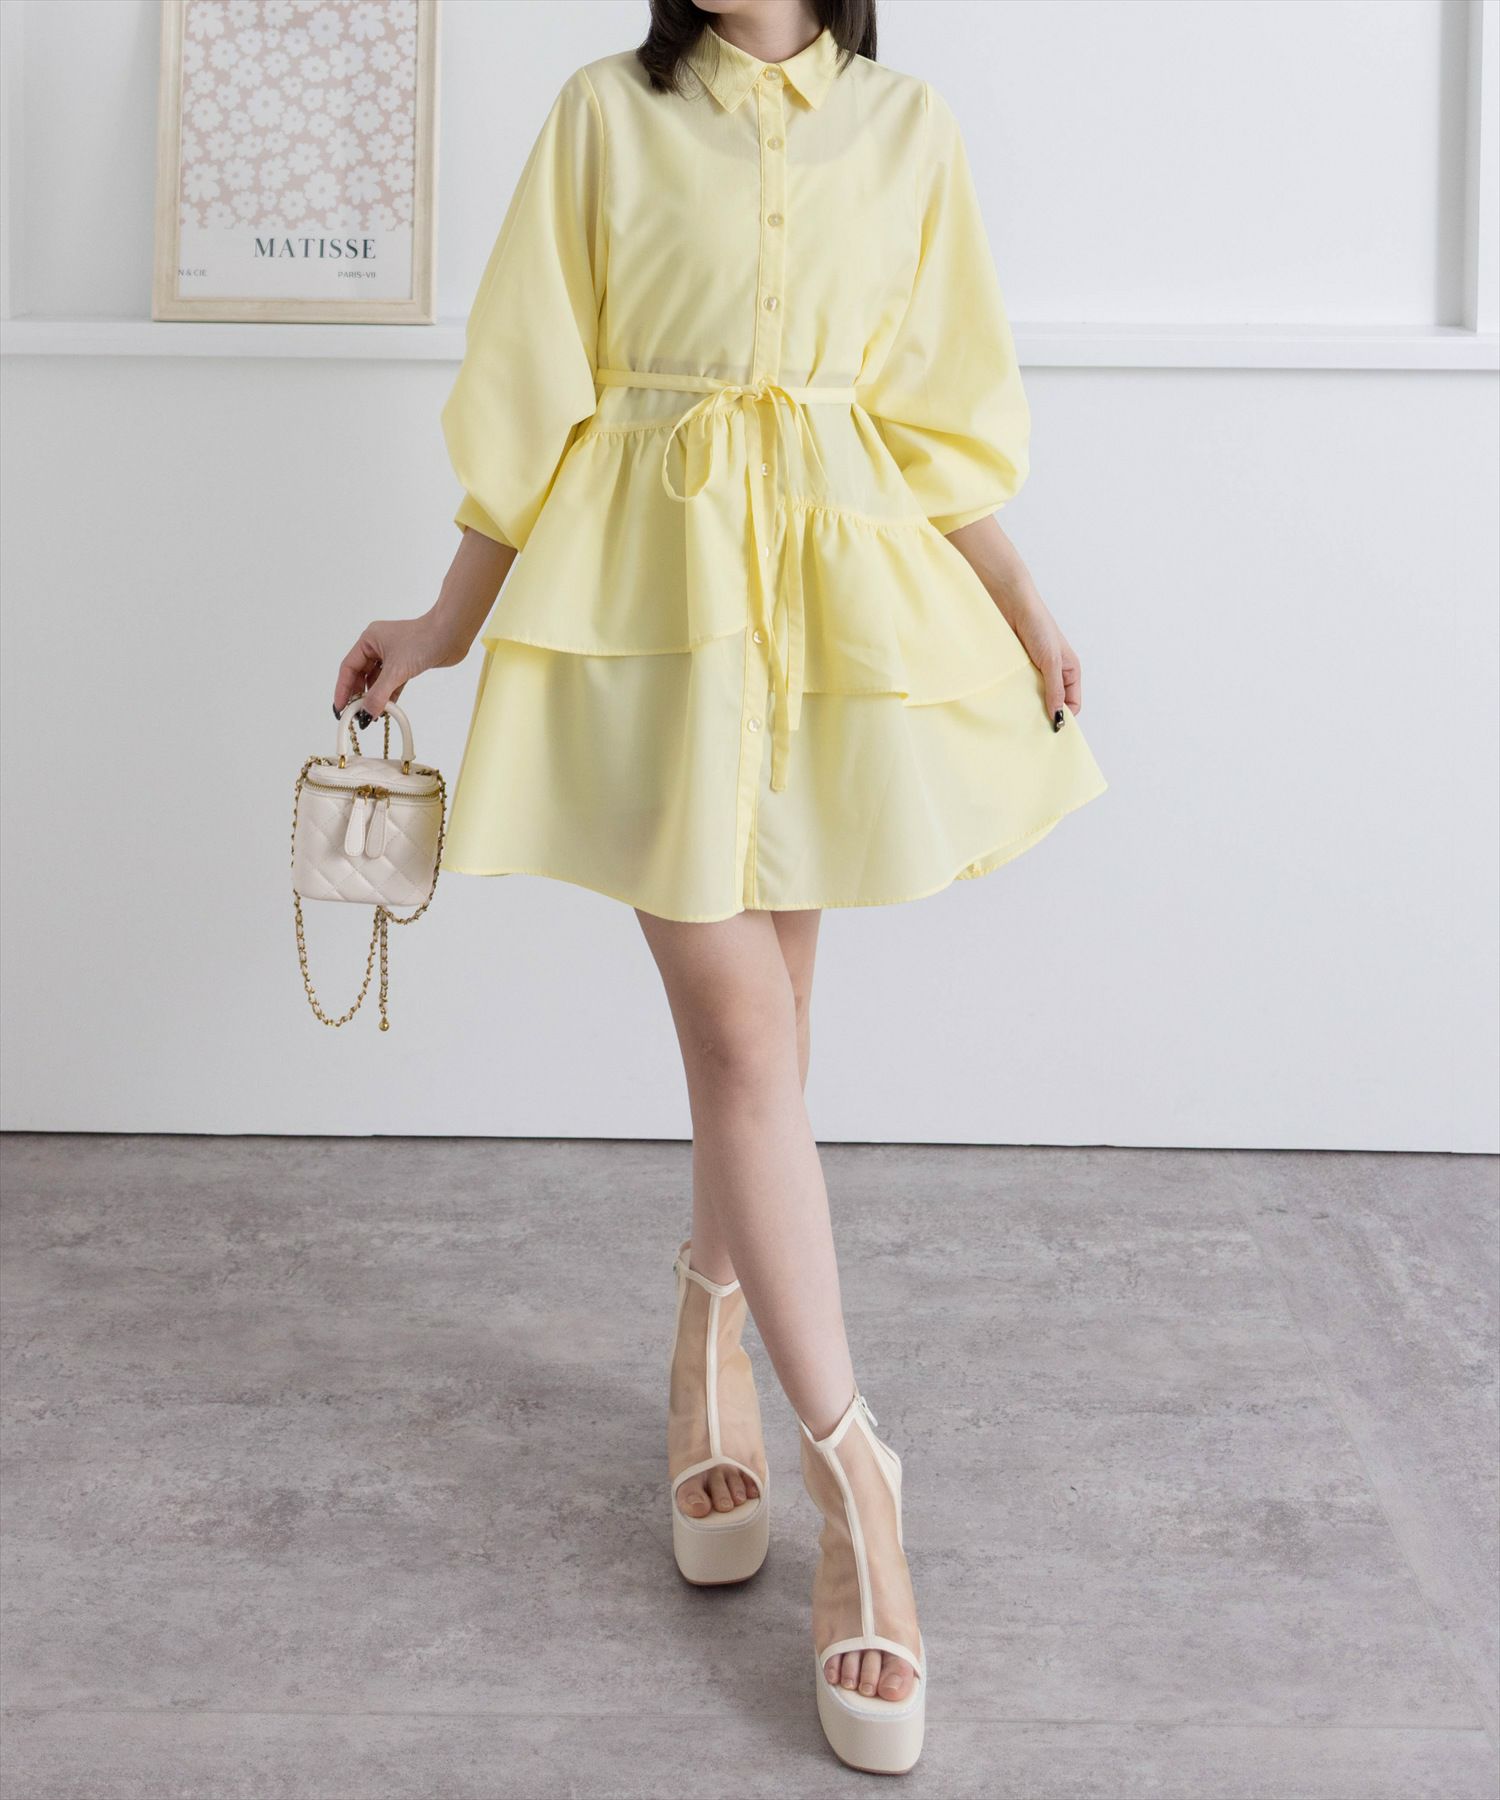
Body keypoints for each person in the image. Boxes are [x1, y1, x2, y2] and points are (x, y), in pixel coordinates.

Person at [334, 0, 1106, 1773]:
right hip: (657, 624)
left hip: (827, 619)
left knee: (770, 1049)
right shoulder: (605, 116)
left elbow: (932, 414)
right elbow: (535, 391)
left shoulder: (904, 127)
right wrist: (441, 625)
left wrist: (1027, 606)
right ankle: (860, 1482)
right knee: (749, 1049)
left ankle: (709, 1340)